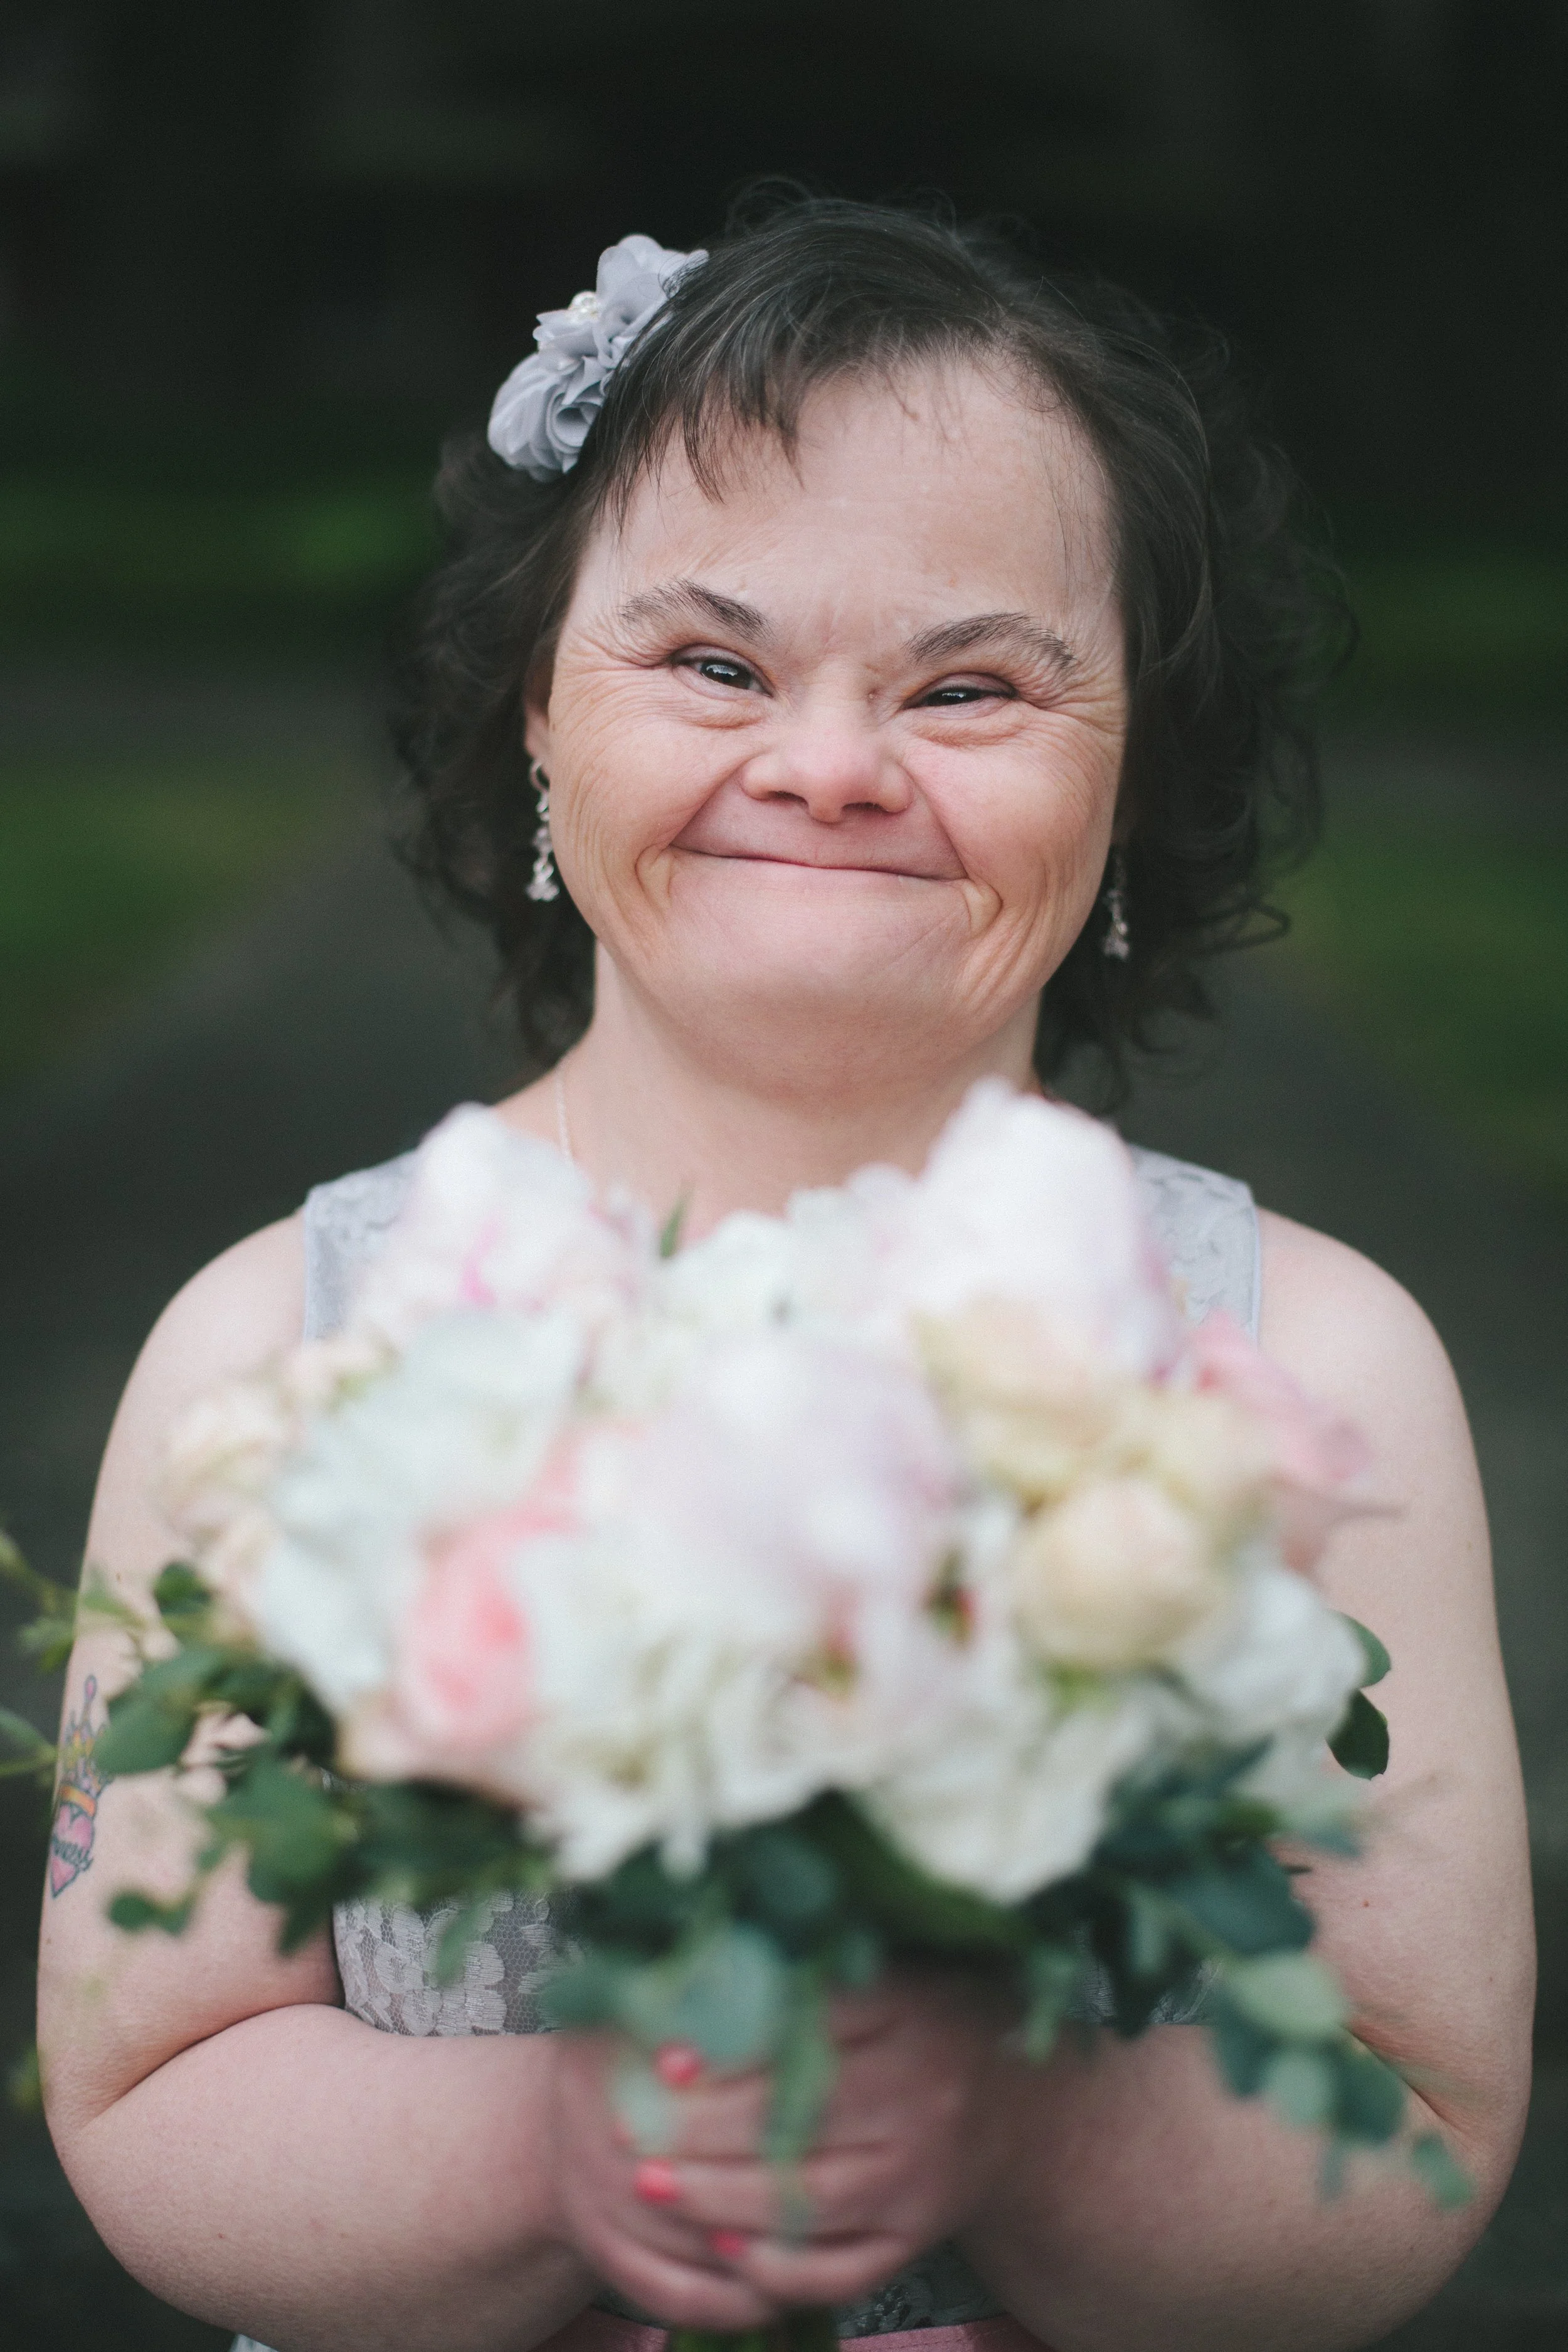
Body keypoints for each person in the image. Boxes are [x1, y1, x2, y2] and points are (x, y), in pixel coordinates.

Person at [39, 197, 1532, 2352]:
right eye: (714, 664)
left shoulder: (1301, 1367)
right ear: (536, 711)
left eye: (968, 687)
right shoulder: (283, 1349)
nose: (829, 768)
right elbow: (151, 2079)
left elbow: (1412, 2117)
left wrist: (1012, 2128)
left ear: (1135, 769)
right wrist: (578, 2141)